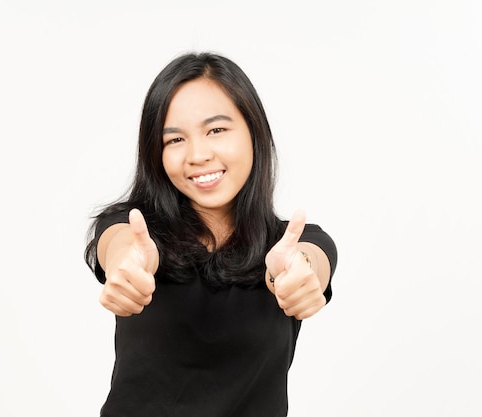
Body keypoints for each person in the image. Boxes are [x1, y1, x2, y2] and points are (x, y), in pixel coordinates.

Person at [84, 51, 337, 417]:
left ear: (254, 131)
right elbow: (119, 244)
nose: (198, 154)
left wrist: (302, 271)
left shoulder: (293, 245)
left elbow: (312, 260)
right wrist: (127, 263)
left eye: (216, 130)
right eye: (174, 140)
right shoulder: (134, 229)